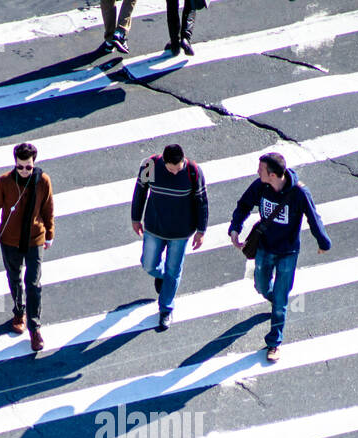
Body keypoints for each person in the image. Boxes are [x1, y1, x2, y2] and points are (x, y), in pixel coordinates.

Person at [227, 151, 331, 363]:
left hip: (288, 252)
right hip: (264, 248)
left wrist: (323, 242)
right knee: (262, 286)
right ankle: (277, 303)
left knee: (281, 297)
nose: (257, 172)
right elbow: (244, 205)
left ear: (273, 175)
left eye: (261, 170)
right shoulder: (260, 187)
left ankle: (274, 341)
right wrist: (235, 229)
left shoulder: (299, 193)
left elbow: (313, 217)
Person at [132, 143, 208, 331]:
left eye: (178, 168)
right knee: (148, 264)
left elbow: (202, 202)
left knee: (174, 270)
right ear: (163, 162)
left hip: (181, 232)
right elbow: (140, 191)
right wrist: (135, 218)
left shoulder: (193, 171)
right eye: (171, 169)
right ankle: (163, 278)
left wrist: (201, 230)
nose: (175, 172)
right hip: (154, 227)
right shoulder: (150, 165)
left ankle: (166, 308)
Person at [0, 143, 54, 352]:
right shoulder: (4, 182)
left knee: (33, 283)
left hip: (34, 239)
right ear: (15, 164)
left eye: (28, 167)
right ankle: (19, 312)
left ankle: (35, 328)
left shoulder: (42, 181)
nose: (24, 171)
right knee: (15, 279)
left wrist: (49, 234)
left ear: (34, 164)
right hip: (9, 240)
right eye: (20, 167)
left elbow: (48, 209)